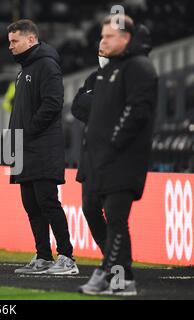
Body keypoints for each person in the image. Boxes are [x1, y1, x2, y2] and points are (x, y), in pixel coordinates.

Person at [78, 15, 158, 296]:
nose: (102, 42)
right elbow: (87, 109)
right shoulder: (109, 70)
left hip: (124, 160)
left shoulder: (139, 68)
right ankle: (123, 279)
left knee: (116, 218)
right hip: (101, 160)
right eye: (101, 37)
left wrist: (112, 144)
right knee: (113, 218)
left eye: (109, 37)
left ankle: (108, 271)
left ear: (125, 38)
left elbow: (137, 113)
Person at [7, 19, 78, 275]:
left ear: (30, 39)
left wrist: (27, 132)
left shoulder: (46, 65)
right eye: (9, 42)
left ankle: (67, 257)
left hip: (43, 147)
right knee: (31, 204)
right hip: (25, 148)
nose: (11, 47)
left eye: (15, 41)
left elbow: (52, 104)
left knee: (47, 202)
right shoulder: (24, 69)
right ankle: (43, 256)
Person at [71, 64, 108, 255]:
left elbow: (111, 108)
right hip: (90, 157)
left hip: (112, 157)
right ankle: (109, 252)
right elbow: (76, 107)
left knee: (113, 213)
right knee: (89, 208)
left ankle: (117, 260)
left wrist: (93, 101)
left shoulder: (128, 76)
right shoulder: (93, 77)